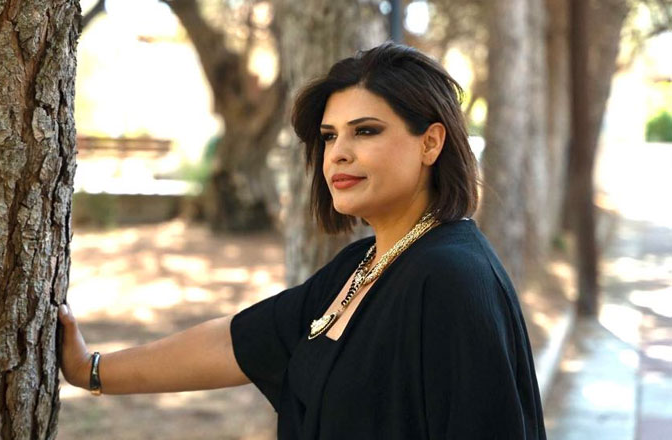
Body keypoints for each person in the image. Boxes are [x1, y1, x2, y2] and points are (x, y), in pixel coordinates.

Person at [58, 42, 547, 439]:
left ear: (430, 142)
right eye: (330, 136)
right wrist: (91, 370)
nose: (338, 154)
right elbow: (237, 342)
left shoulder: (452, 278)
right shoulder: (367, 263)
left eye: (366, 131)